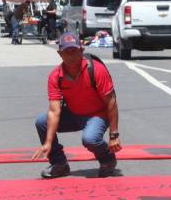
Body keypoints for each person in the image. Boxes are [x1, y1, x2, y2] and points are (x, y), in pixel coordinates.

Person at [32, 32, 122, 179]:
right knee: (42, 122)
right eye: (67, 52)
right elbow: (54, 111)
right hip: (74, 114)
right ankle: (59, 164)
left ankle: (107, 159)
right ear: (60, 54)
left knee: (90, 139)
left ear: (81, 51)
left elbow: (111, 101)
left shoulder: (96, 70)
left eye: (74, 51)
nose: (71, 56)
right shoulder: (55, 77)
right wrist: (48, 143)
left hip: (97, 115)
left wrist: (114, 135)